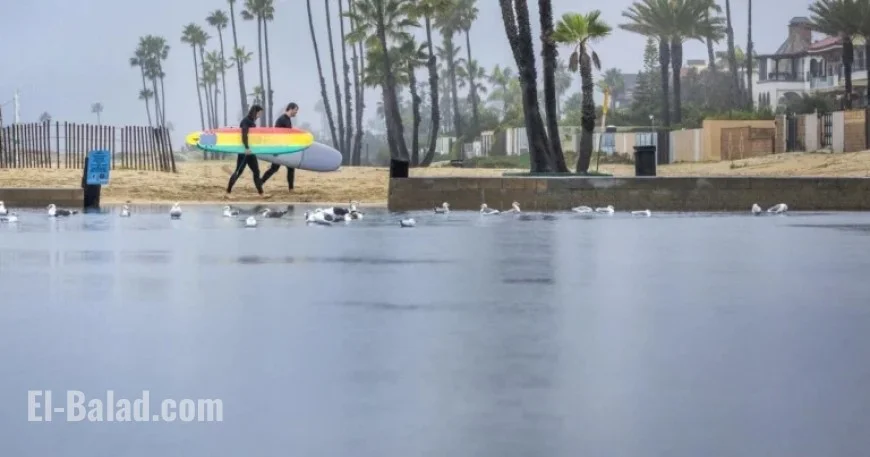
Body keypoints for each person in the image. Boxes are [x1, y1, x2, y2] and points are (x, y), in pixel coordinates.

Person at [226, 105, 270, 199]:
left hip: (250, 151)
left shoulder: (252, 121)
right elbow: (244, 134)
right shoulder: (246, 121)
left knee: (256, 171)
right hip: (244, 151)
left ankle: (261, 194)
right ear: (256, 112)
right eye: (260, 113)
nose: (260, 115)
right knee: (238, 171)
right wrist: (246, 148)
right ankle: (228, 193)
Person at [262, 102, 299, 191]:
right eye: (295, 110)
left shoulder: (287, 119)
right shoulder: (282, 119)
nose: (296, 112)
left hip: (285, 148)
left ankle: (291, 189)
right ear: (291, 109)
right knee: (274, 168)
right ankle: (260, 182)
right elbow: (276, 134)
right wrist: (276, 150)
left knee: (290, 168)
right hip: (280, 149)